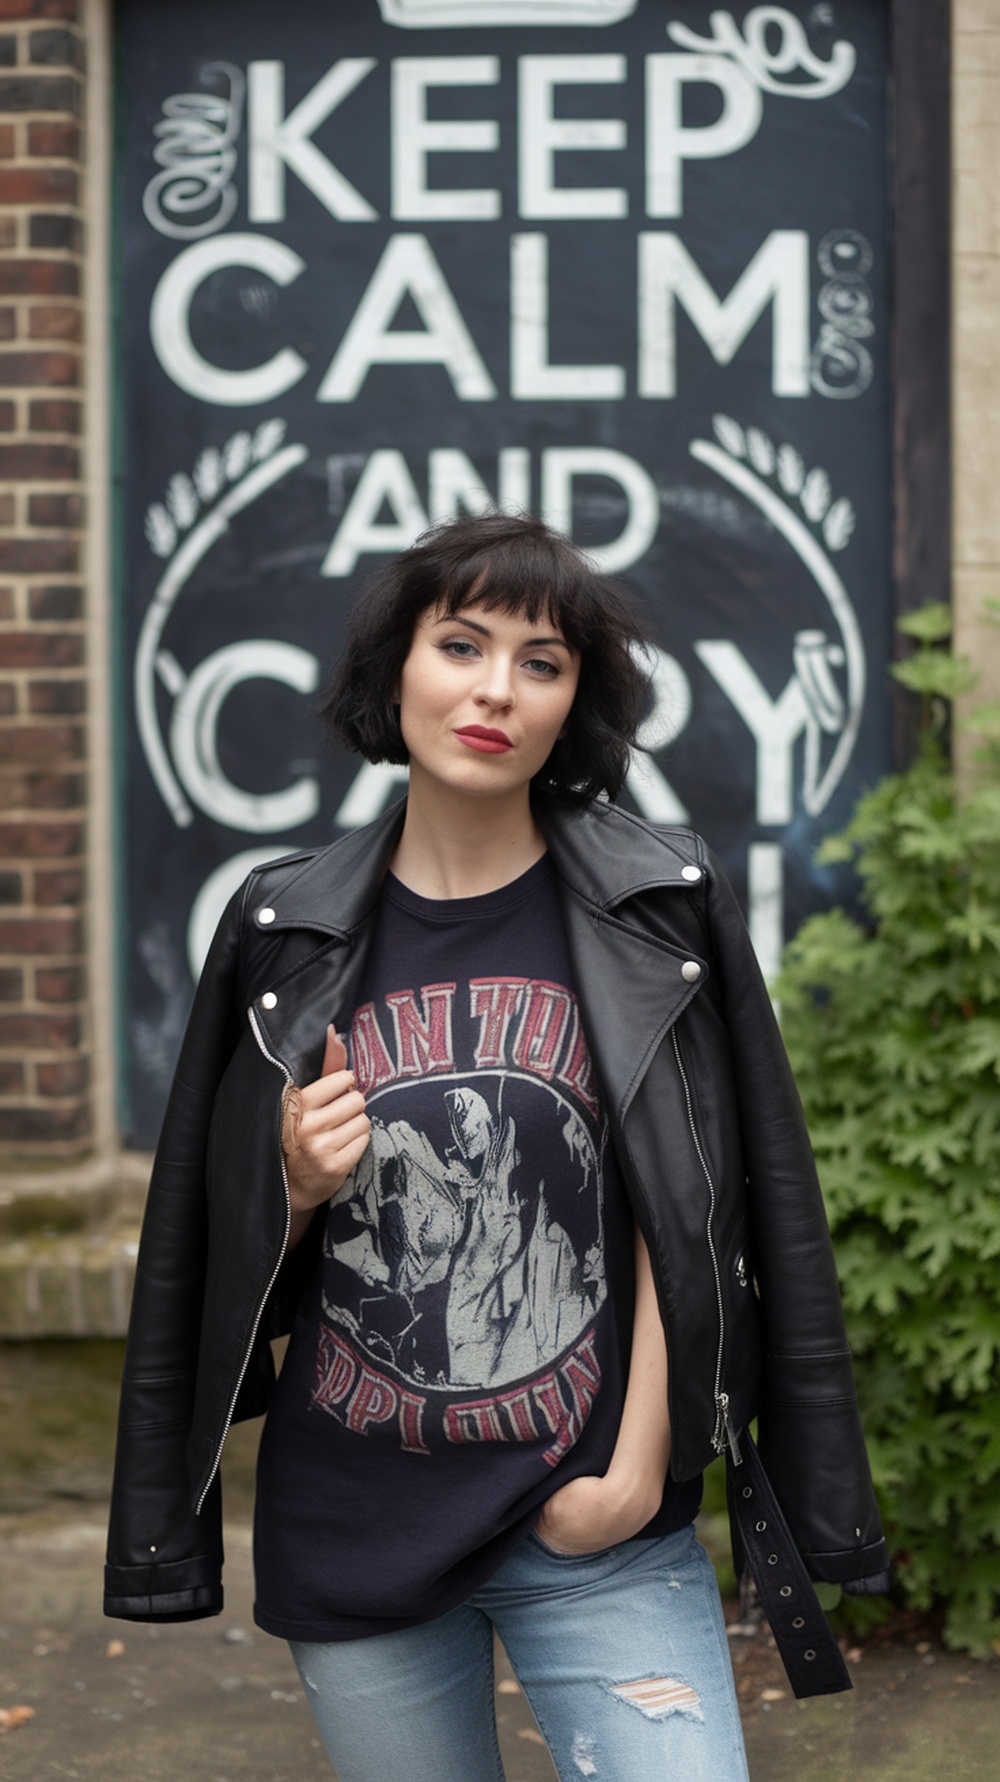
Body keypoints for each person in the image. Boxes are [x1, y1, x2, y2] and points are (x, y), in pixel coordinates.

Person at [105, 513, 888, 1781]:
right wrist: (295, 1187)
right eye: (459, 644)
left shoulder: (656, 909)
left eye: (540, 661)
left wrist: (634, 1476)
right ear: (393, 671)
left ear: (573, 701)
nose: (493, 690)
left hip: (589, 1524)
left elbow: (698, 1204)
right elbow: (202, 1252)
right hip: (357, 1524)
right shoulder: (277, 928)